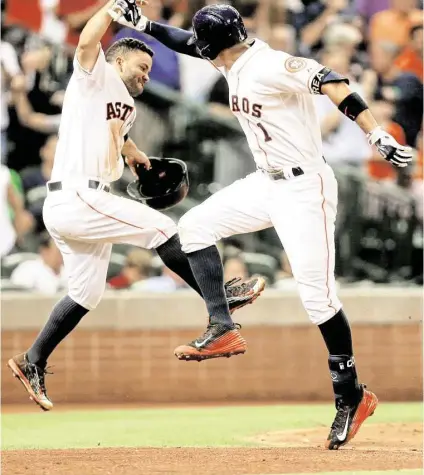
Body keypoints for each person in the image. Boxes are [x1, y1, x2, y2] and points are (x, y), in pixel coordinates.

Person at [120, 2, 413, 449]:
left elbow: (333, 82)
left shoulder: (272, 64)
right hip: (265, 182)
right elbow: (182, 42)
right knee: (195, 226)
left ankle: (350, 396)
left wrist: (375, 133)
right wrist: (141, 24)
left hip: (304, 187)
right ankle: (222, 326)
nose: (201, 51)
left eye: (205, 46)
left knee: (317, 298)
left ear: (216, 44)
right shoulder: (229, 56)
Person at [7, 0, 265, 413]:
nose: (145, 74)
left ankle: (32, 360)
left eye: (148, 69)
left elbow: (112, 130)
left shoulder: (123, 104)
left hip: (82, 201)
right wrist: (113, 8)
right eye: (140, 67)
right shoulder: (95, 75)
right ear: (118, 60)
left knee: (85, 295)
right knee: (165, 229)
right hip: (77, 195)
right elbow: (88, 41)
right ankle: (220, 306)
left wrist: (134, 152)